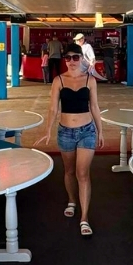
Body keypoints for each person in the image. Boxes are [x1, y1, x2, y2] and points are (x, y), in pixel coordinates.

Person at [37, 44, 105, 237]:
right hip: (65, 132)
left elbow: (94, 106)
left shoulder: (90, 80)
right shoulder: (58, 80)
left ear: (82, 59)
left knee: (82, 173)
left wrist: (100, 131)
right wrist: (48, 130)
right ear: (64, 60)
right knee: (69, 171)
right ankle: (72, 200)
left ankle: (84, 217)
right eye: (68, 58)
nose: (72, 61)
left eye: (76, 57)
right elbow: (53, 108)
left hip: (87, 131)